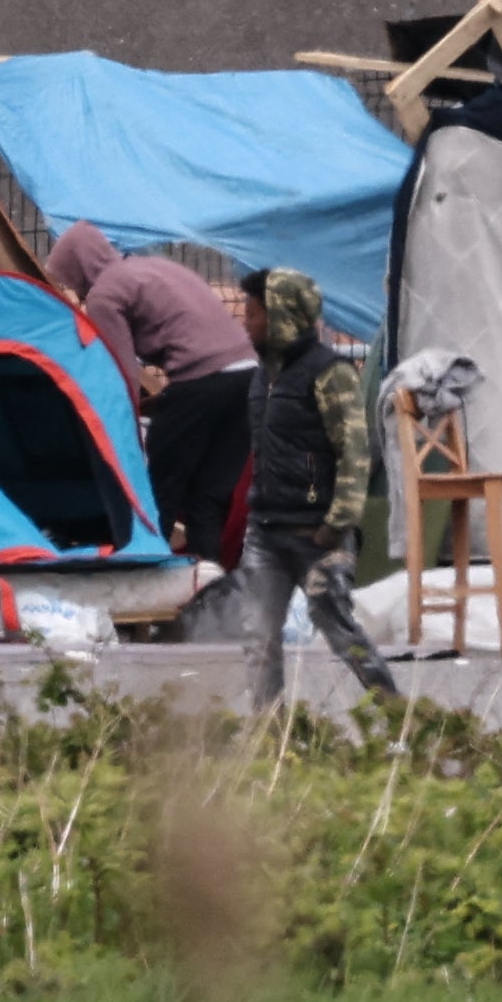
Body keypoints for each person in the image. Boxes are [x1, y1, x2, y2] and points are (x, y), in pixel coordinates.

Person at [46, 223, 260, 559]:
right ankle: (208, 584)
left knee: (160, 490)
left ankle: (147, 571)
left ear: (79, 268)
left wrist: (118, 427)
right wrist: (159, 405)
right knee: (208, 497)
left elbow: (121, 372)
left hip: (199, 381)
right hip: (248, 376)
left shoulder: (105, 292)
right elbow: (202, 340)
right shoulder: (155, 267)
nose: (74, 288)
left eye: (69, 279)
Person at [237, 268, 399, 710]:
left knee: (341, 631)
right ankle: (269, 735)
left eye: (252, 313)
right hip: (266, 530)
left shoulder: (330, 374)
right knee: (258, 637)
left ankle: (398, 717)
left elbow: (354, 449)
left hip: (316, 533)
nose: (245, 322)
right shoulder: (262, 377)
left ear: (281, 317)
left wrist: (338, 522)